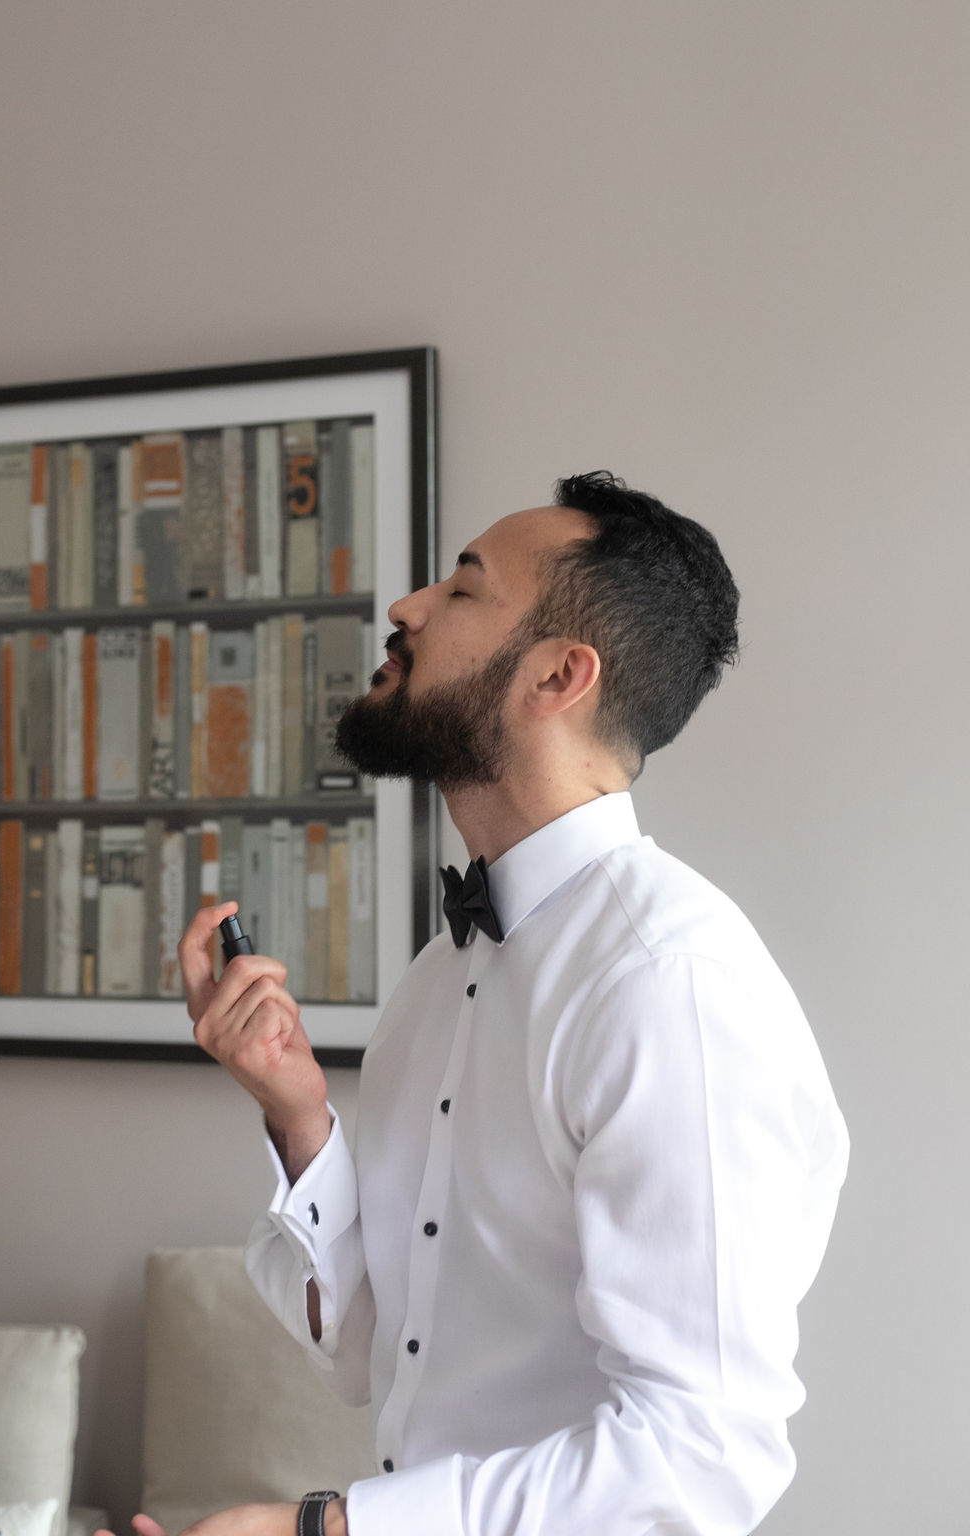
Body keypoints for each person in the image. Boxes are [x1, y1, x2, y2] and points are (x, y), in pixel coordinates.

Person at [135, 472, 849, 1536]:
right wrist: (298, 1117)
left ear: (559, 674)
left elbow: (700, 1455)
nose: (407, 607)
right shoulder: (436, 979)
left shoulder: (669, 984)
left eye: (462, 590)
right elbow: (370, 1351)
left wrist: (320, 1529)